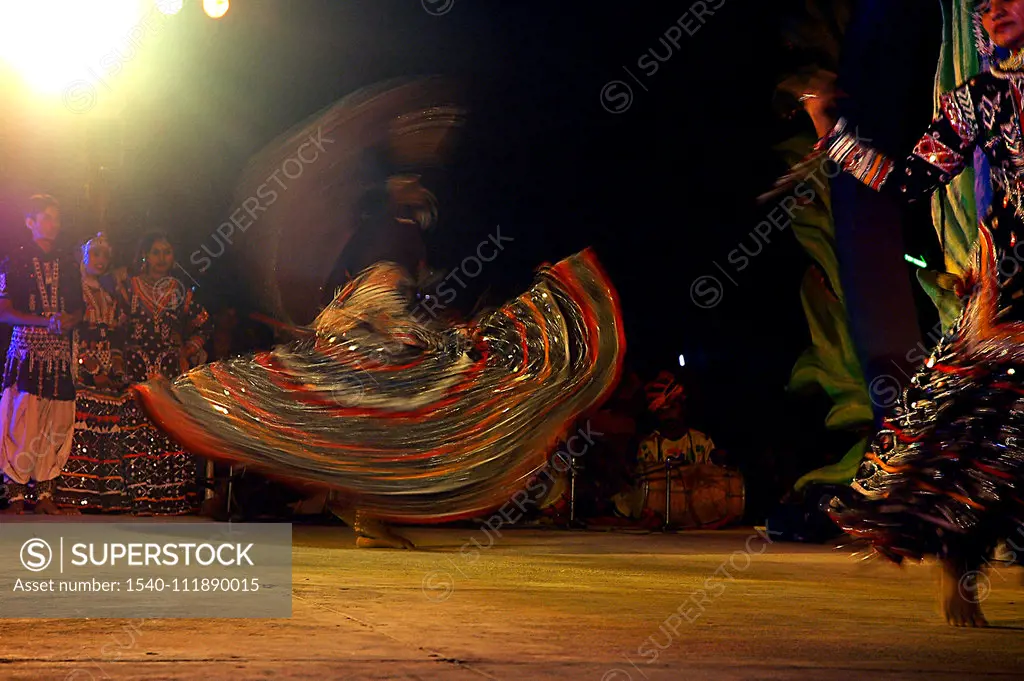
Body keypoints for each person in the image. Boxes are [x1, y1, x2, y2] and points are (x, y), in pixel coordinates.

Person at [790, 0, 1024, 627]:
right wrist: (834, 137)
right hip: (1006, 301)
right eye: (987, 3)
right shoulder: (978, 97)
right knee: (965, 438)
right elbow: (906, 182)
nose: (997, 10)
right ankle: (961, 560)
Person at [133, 249, 624, 548]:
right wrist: (439, 343)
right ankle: (361, 512)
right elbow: (382, 322)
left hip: (371, 369)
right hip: (367, 368)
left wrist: (435, 340)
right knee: (380, 433)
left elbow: (355, 321)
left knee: (385, 441)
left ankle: (366, 516)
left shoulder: (384, 271)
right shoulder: (389, 269)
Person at [0, 195, 83, 514]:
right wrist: (44, 322)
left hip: (60, 354)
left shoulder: (68, 262)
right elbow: (5, 311)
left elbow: (79, 309)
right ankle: (16, 496)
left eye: (57, 218)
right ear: (30, 222)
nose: (54, 224)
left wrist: (69, 320)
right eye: (47, 218)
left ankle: (45, 494)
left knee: (57, 421)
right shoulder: (14, 261)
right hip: (27, 352)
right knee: (22, 420)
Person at [121, 232, 211, 515]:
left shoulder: (180, 291)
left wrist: (188, 348)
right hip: (135, 368)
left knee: (166, 429)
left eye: (168, 252)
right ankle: (136, 498)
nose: (162, 258)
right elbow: (112, 324)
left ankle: (170, 498)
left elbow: (204, 325)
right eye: (157, 252)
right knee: (136, 429)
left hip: (169, 369)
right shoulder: (128, 287)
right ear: (145, 255)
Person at [56, 234, 131, 512]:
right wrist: (93, 368)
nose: (100, 261)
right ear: (83, 255)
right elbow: (78, 335)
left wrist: (115, 367)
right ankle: (73, 493)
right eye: (95, 254)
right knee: (81, 426)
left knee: (107, 426)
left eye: (105, 256)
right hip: (80, 367)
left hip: (106, 368)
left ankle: (103, 495)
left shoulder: (110, 296)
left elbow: (115, 335)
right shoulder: (75, 293)